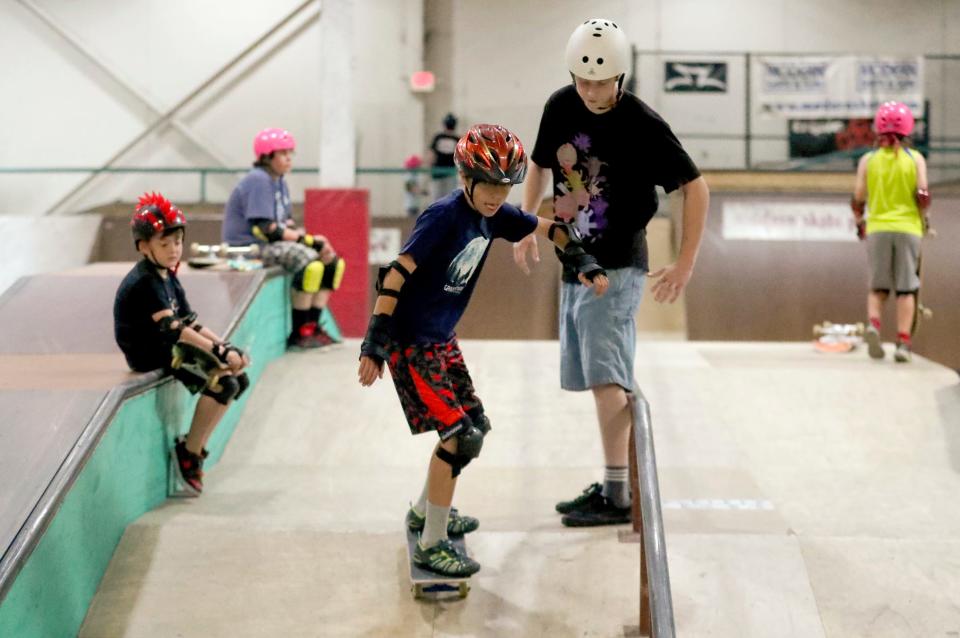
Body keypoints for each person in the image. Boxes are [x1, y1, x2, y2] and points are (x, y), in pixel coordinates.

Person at [357, 124, 609, 577]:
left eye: (504, 186)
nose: (496, 196)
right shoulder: (442, 215)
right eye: (488, 185)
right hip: (411, 344)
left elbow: (552, 228)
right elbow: (396, 273)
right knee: (458, 437)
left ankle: (424, 512)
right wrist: (375, 340)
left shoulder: (495, 215)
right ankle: (432, 543)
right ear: (466, 180)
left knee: (475, 426)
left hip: (441, 340)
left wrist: (583, 260)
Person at [513, 18, 710, 527]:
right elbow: (537, 164)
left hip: (617, 267)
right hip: (574, 263)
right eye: (582, 80)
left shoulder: (643, 123)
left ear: (620, 77)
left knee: (607, 380)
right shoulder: (560, 105)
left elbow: (696, 186)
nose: (591, 91)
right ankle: (612, 484)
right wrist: (523, 221)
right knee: (600, 378)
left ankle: (618, 494)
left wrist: (686, 262)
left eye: (601, 83)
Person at [114, 192, 251, 495]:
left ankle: (195, 446)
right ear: (143, 246)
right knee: (224, 384)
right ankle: (189, 453)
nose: (174, 250)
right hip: (148, 351)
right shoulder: (145, 281)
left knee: (239, 380)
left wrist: (227, 346)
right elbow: (172, 327)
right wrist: (219, 352)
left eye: (178, 242)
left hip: (169, 344)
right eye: (165, 244)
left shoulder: (166, 275)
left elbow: (190, 322)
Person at [222, 128, 345, 349]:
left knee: (333, 262)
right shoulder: (258, 180)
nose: (289, 159)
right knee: (310, 262)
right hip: (247, 247)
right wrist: (309, 242)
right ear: (267, 156)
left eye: (290, 154)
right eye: (283, 154)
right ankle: (300, 332)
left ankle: (313, 327)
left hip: (268, 244)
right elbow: (265, 229)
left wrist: (312, 239)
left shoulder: (279, 181)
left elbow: (285, 224)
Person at [852, 101, 930, 363]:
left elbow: (859, 197)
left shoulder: (868, 160)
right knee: (906, 289)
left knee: (878, 286)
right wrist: (924, 220)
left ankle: (874, 325)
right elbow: (922, 195)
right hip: (908, 228)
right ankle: (903, 344)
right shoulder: (915, 159)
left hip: (878, 227)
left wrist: (859, 222)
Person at [429, 113, 460, 199]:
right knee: (448, 197)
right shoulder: (456, 139)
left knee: (437, 197)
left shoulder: (439, 137)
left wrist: (431, 168)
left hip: (441, 171)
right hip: (448, 171)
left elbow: (432, 155)